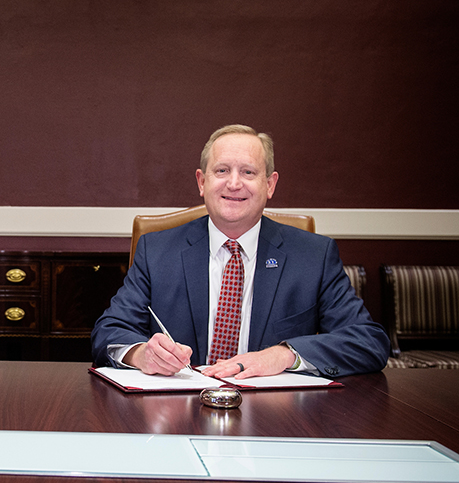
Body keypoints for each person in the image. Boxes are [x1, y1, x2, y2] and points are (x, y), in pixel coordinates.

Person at [92, 124, 389, 380]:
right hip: (176, 412)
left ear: (269, 184)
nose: (234, 183)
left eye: (248, 172)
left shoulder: (313, 256)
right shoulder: (157, 251)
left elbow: (369, 342)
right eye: (222, 170)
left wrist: (285, 355)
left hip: (274, 419)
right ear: (202, 181)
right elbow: (109, 331)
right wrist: (142, 354)